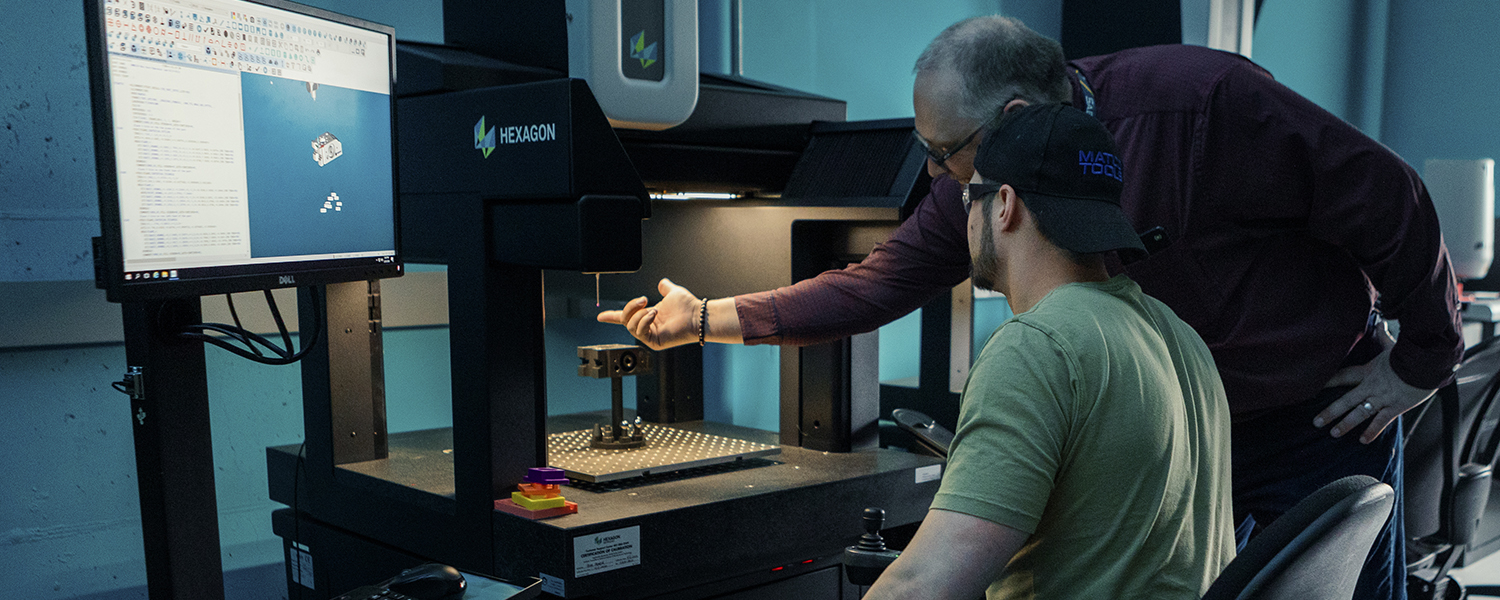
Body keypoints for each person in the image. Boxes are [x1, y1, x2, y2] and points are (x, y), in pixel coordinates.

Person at [600, 16, 1462, 600]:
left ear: (1004, 182)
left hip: (1322, 405)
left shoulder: (1200, 104)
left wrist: (1421, 358)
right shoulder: (1159, 331)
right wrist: (707, 314)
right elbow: (879, 282)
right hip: (1199, 412)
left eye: (946, 156)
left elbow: (1393, 197)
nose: (939, 181)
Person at [863, 102, 1235, 599]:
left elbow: (925, 585)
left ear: (1004, 205)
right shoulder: (1183, 339)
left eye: (968, 196)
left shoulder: (1036, 348)